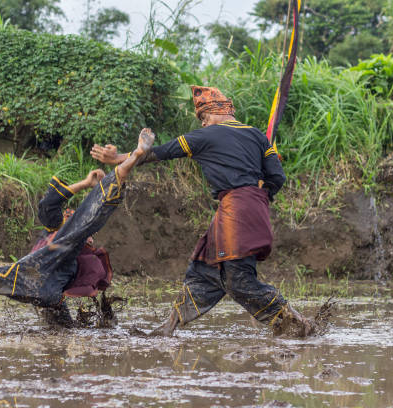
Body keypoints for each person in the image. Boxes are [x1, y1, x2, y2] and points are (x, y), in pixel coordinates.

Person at [90, 86, 314, 337]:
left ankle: (295, 321)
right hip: (249, 207)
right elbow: (277, 176)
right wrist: (261, 193)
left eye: (204, 118)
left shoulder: (204, 137)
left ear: (215, 112)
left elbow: (160, 153)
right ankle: (168, 328)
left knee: (239, 282)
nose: (204, 124)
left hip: (236, 211)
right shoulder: (257, 136)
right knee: (204, 270)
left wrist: (119, 157)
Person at [0, 129, 155, 325]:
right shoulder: (56, 226)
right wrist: (84, 183)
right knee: (51, 309)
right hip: (46, 278)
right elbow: (49, 204)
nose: (68, 215)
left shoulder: (74, 234)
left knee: (50, 299)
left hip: (59, 271)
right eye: (66, 214)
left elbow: (86, 220)